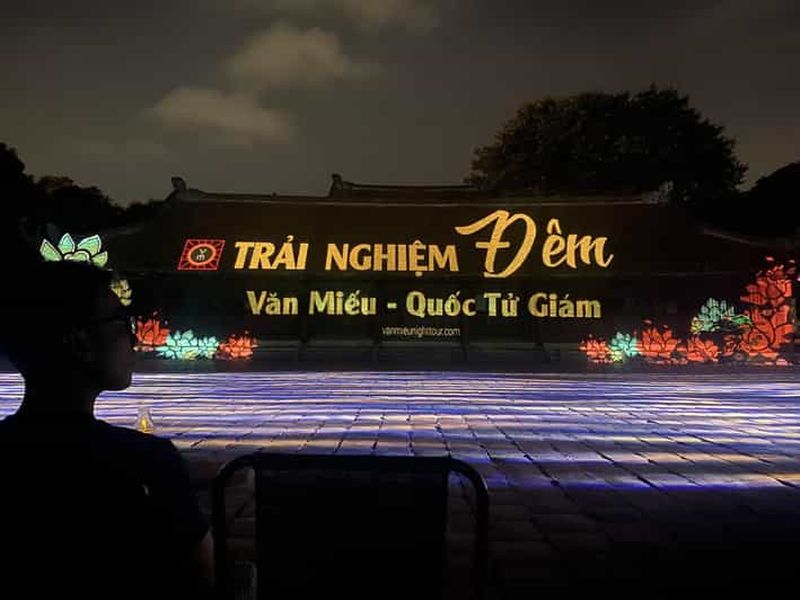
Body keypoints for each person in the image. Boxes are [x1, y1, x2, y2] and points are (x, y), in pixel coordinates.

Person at [0, 260, 213, 599]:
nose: (134, 338)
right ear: (80, 342)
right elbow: (201, 575)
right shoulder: (146, 461)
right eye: (120, 322)